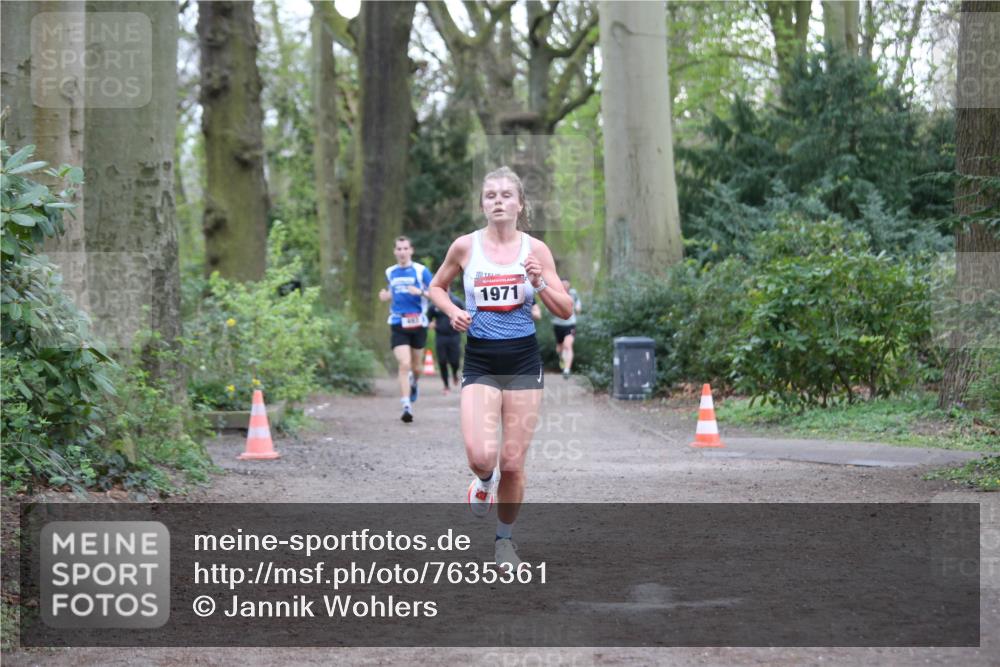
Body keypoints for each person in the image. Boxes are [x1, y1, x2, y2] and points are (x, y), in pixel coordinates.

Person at [428, 166, 573, 570]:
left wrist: (540, 283)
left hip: (524, 360)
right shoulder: (465, 247)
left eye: (506, 194)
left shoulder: (536, 250)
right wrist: (454, 310)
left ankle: (504, 541)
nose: (498, 200)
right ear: (482, 204)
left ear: (520, 204)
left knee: (512, 462)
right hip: (481, 359)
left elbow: (566, 309)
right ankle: (483, 482)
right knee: (481, 456)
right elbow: (436, 287)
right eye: (490, 195)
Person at [378, 236, 434, 423]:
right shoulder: (390, 272)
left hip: (418, 323)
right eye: (399, 249)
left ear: (411, 250)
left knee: (416, 367)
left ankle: (414, 382)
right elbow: (390, 292)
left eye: (405, 248)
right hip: (398, 323)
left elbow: (437, 293)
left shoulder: (420, 271)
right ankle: (406, 405)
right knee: (404, 364)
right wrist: (386, 295)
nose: (402, 252)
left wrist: (420, 292)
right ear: (395, 252)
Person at [427, 288, 465, 395]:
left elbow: (465, 313)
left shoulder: (456, 301)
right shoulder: (434, 304)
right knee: (442, 361)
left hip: (454, 336)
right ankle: (446, 386)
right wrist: (430, 324)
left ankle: (454, 373)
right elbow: (428, 318)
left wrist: (462, 322)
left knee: (455, 361)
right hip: (440, 336)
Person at [551, 279, 582, 379]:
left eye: (566, 284)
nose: (565, 286)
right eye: (563, 284)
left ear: (569, 285)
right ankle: (562, 359)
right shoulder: (555, 293)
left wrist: (577, 308)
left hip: (570, 324)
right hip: (558, 325)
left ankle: (567, 370)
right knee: (560, 348)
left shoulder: (573, 294)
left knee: (567, 345)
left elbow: (578, 305)